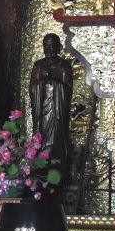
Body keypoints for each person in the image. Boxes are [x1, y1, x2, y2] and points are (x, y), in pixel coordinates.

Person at [30, 33, 74, 169]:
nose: (49, 49)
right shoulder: (38, 65)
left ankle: (58, 161)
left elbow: (68, 88)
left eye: (52, 45)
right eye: (46, 46)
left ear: (58, 47)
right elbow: (32, 88)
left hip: (57, 110)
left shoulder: (64, 65)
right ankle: (40, 162)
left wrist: (53, 83)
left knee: (58, 136)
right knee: (41, 134)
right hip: (42, 108)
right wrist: (41, 83)